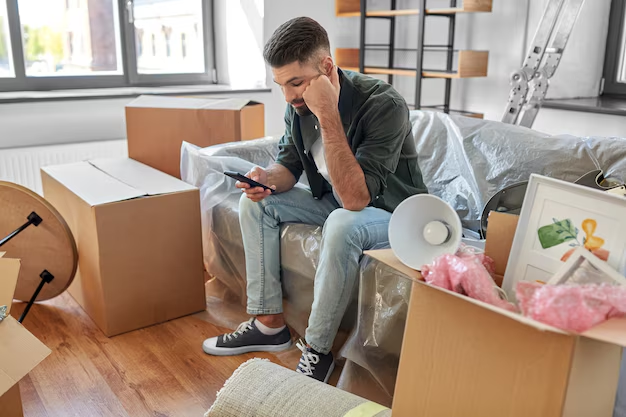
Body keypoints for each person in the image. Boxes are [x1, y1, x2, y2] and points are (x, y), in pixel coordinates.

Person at [202, 16, 427, 383]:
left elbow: (356, 199)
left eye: (297, 82)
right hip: (339, 202)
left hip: (394, 212)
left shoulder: (383, 103)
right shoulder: (297, 106)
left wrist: (327, 113)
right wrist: (265, 180)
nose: (290, 96)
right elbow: (288, 165)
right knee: (256, 203)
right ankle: (269, 324)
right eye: (281, 85)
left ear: (326, 68)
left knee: (341, 220)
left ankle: (317, 351)